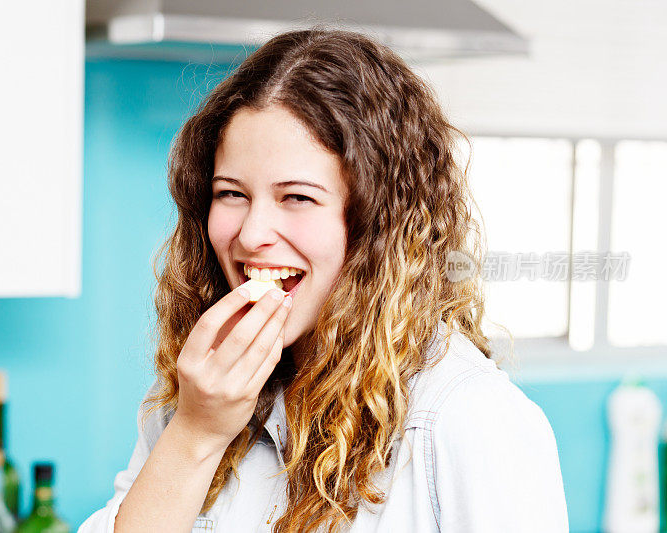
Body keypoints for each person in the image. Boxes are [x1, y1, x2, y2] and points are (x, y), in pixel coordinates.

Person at [79, 27, 569, 533]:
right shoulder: (201, 392)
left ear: (380, 224)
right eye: (231, 193)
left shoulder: (467, 417)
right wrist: (194, 434)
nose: (251, 234)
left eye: (297, 197)